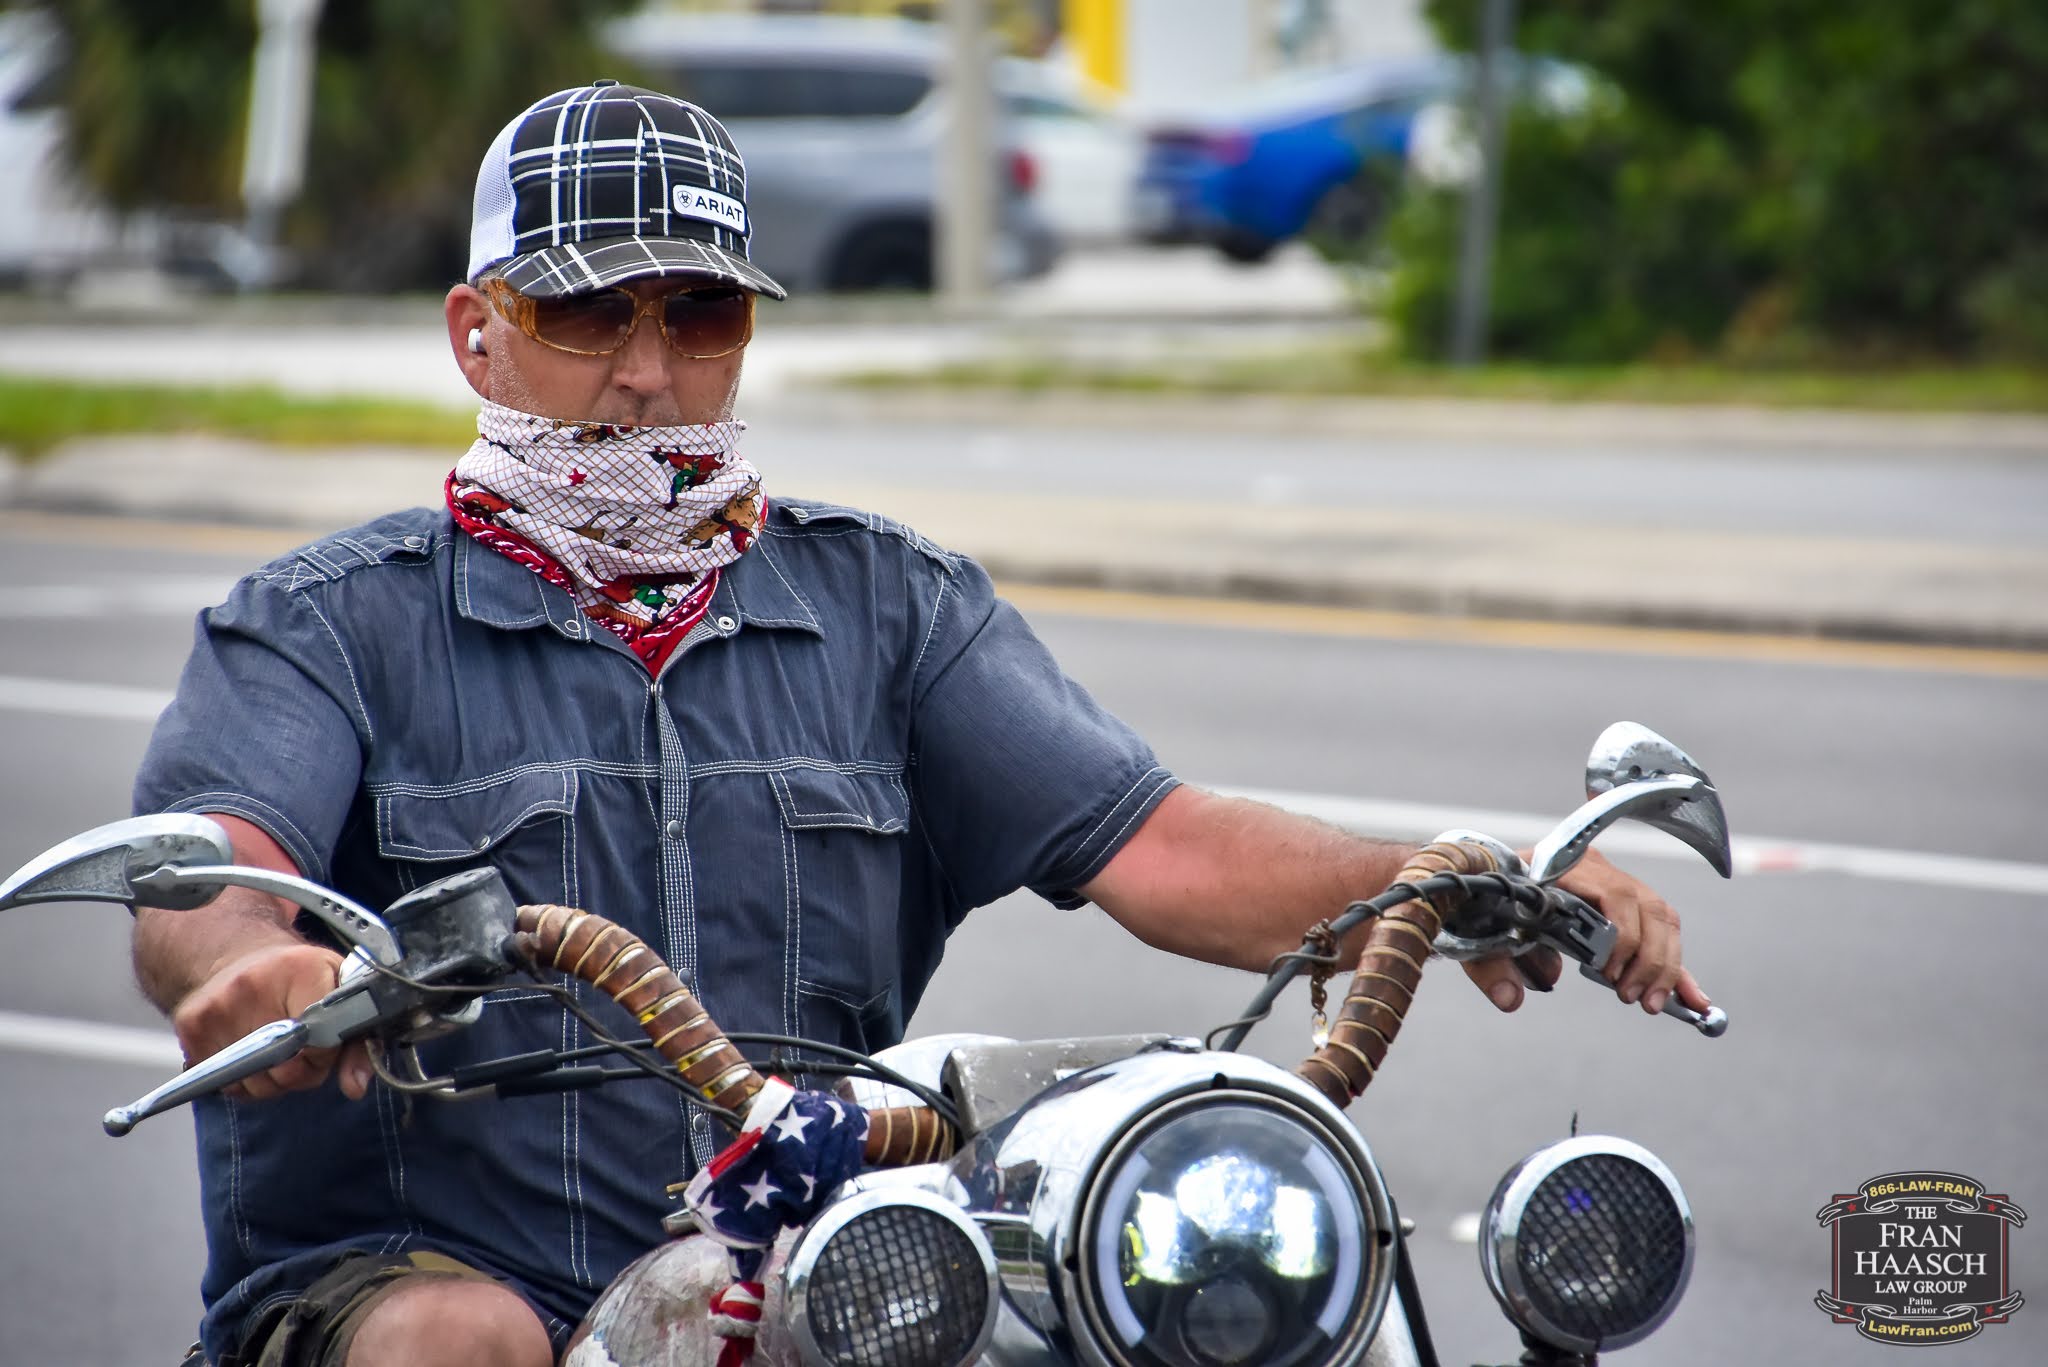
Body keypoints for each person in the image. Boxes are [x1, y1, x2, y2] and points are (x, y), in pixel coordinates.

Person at [133, 83, 1708, 1367]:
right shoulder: (325, 623)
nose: (648, 372)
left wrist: (1457, 877)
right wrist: (249, 966)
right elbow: (207, 878)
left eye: (700, 313)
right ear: (477, 332)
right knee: (461, 1343)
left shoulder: (892, 605)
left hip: (820, 1268)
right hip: (422, 1277)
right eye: (586, 314)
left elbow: (1162, 846)